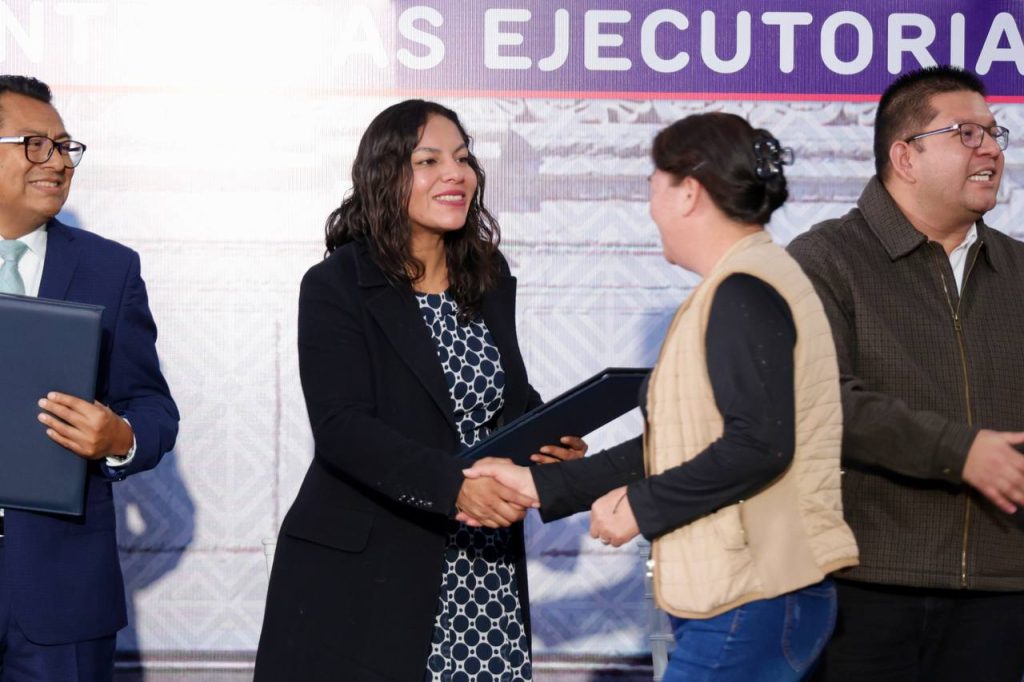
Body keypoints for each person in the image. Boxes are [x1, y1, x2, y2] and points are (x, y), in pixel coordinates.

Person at [464, 112, 859, 681]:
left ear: (688, 192)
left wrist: (640, 506)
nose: (649, 206)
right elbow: (682, 442)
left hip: (751, 598)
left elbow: (759, 446)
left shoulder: (743, 290)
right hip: (748, 596)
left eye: (654, 185)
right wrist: (541, 484)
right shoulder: (742, 282)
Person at [253, 99, 585, 682]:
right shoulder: (336, 284)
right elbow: (341, 428)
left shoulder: (488, 275)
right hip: (367, 570)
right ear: (385, 176)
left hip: (482, 562)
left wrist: (547, 441)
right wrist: (454, 487)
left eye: (463, 158)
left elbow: (499, 396)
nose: (455, 173)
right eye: (429, 161)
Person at [786, 65, 1024, 681]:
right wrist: (960, 451)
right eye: (967, 134)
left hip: (1002, 589)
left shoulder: (1019, 270)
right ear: (905, 156)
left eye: (994, 133)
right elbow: (821, 402)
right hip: (862, 583)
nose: (991, 150)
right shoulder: (825, 259)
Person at [0, 76, 179, 681]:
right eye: (34, 144)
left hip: (62, 593)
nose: (56, 162)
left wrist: (119, 438)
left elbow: (151, 407)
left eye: (64, 147)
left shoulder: (110, 268)